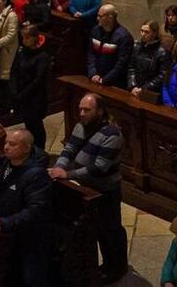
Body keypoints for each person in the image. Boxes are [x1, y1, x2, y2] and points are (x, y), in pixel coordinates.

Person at [50, 93, 127, 282]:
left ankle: (116, 268)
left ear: (100, 111)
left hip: (106, 190)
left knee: (110, 230)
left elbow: (99, 167)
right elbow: (70, 149)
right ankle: (104, 265)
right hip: (86, 188)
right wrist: (59, 166)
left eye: (87, 110)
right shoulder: (81, 126)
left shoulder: (112, 134)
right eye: (81, 109)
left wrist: (67, 174)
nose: (82, 113)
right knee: (96, 228)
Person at [0, 129, 52, 287]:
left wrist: (4, 223)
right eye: (6, 143)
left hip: (27, 236)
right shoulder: (1, 162)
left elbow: (35, 211)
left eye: (12, 144)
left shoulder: (36, 174)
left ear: (27, 148)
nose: (6, 147)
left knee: (29, 279)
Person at [10, 22, 51, 149]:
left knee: (36, 125)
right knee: (28, 123)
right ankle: (30, 149)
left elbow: (38, 79)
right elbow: (14, 70)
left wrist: (22, 94)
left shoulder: (42, 56)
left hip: (35, 97)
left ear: (34, 38)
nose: (24, 40)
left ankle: (40, 150)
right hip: (21, 94)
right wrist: (14, 90)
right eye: (23, 37)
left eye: (27, 38)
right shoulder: (21, 51)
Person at [128, 20, 172, 96]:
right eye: (142, 31)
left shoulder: (162, 52)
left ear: (155, 33)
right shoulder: (137, 47)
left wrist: (144, 88)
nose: (143, 34)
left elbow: (162, 76)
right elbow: (131, 68)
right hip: (135, 89)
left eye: (147, 32)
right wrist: (133, 85)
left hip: (151, 92)